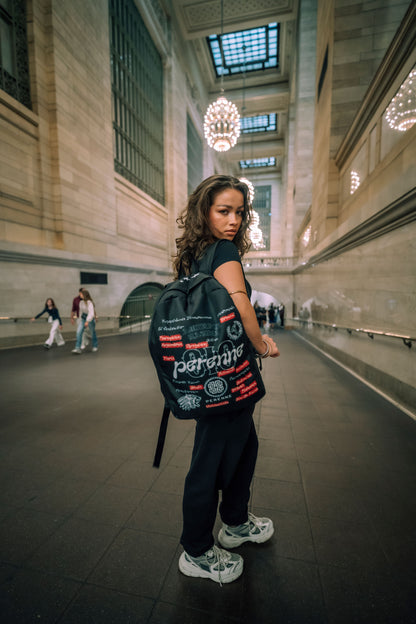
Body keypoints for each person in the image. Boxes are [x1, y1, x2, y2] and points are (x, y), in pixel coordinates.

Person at [172, 174, 280, 585]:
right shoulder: (222, 251)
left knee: (243, 448)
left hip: (206, 372)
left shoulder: (191, 255)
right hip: (228, 374)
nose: (233, 220)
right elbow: (240, 304)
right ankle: (196, 550)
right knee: (210, 460)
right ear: (205, 211)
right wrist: (262, 345)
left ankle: (234, 522)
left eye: (239, 212)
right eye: (224, 211)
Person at [72, 289, 98, 354]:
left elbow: (91, 313)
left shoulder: (89, 302)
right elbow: (81, 312)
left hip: (90, 319)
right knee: (79, 332)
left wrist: (87, 321)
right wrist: (81, 320)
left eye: (81, 294)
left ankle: (95, 346)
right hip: (83, 318)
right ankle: (77, 348)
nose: (79, 295)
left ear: (84, 295)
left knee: (92, 332)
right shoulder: (81, 302)